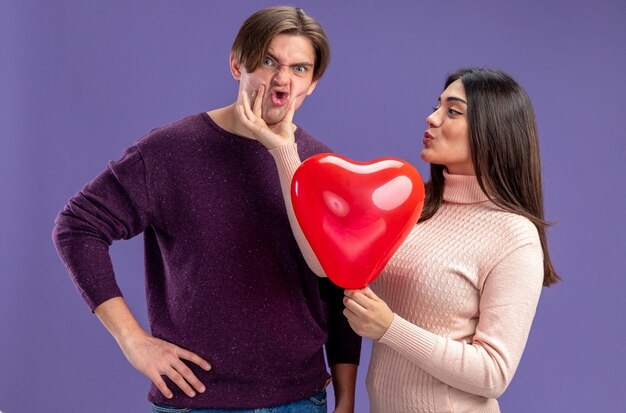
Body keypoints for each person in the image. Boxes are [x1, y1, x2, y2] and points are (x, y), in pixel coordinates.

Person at [52, 6, 361, 413]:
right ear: (237, 64)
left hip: (300, 400)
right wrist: (132, 339)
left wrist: (346, 398)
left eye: (300, 68)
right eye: (269, 61)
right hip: (196, 402)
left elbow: (340, 286)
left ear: (313, 83)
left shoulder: (323, 166)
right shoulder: (170, 151)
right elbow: (77, 227)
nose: (283, 79)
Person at [237, 67, 560, 412]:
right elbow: (324, 264)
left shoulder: (513, 235)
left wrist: (390, 328)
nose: (432, 118)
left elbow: (493, 373)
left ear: (493, 131)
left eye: (452, 111)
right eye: (437, 106)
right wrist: (284, 151)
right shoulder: (414, 205)